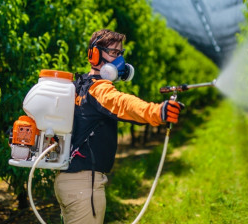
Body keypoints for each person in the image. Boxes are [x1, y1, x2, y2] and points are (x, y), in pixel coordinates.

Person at [54, 29, 184, 224]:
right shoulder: (99, 89)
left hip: (66, 183)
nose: (119, 61)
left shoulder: (77, 86)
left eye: (120, 54)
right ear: (94, 54)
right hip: (83, 187)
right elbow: (123, 104)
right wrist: (157, 112)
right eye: (113, 53)